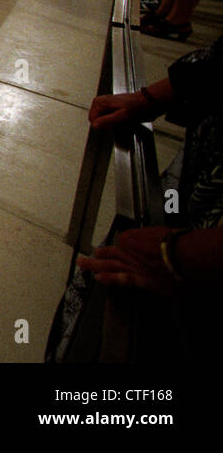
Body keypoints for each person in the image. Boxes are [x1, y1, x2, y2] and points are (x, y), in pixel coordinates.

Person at [71, 37, 223, 361]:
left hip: (201, 264)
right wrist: (149, 99)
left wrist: (182, 255)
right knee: (165, 208)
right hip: (199, 199)